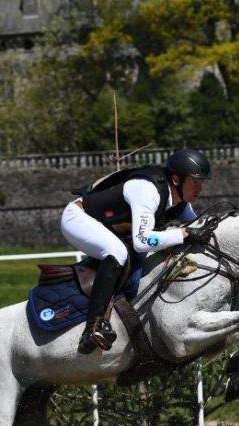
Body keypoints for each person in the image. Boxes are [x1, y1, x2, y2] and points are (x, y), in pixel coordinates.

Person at [61, 147, 214, 354]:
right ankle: (93, 327)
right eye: (195, 182)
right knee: (117, 253)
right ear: (177, 180)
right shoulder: (147, 190)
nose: (200, 188)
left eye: (201, 182)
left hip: (106, 225)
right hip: (78, 218)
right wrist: (184, 234)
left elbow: (198, 225)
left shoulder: (180, 202)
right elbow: (142, 240)